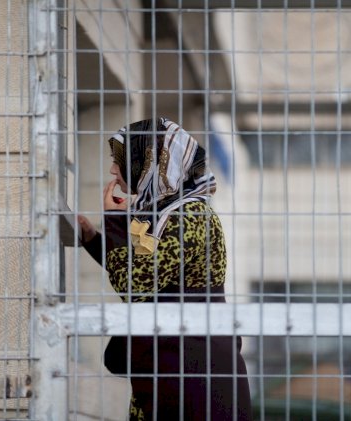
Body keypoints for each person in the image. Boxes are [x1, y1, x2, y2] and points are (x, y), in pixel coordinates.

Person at [76, 117, 252, 421]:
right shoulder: (165, 213)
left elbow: (136, 283)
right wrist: (94, 239)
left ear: (148, 163)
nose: (113, 170)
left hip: (195, 379)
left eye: (120, 160)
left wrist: (115, 221)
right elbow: (143, 268)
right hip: (174, 369)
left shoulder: (190, 216)